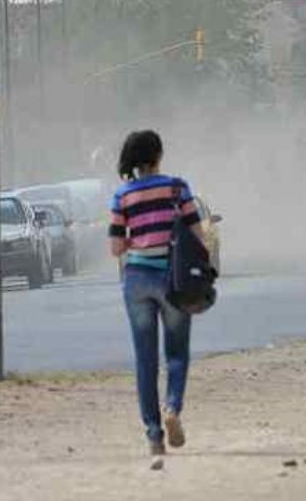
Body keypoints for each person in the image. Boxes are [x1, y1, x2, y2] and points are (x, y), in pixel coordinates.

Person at [109, 129, 203, 459]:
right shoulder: (177, 188)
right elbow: (197, 233)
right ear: (159, 155)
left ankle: (153, 434)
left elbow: (116, 247)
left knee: (145, 360)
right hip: (172, 280)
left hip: (136, 279)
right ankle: (173, 408)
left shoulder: (122, 196)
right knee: (176, 353)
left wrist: (139, 241)